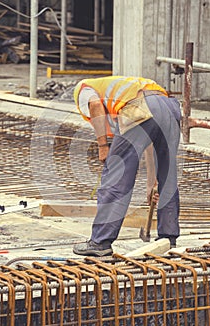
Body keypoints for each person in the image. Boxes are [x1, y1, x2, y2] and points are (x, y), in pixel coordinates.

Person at [73, 76, 181, 256]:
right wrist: (151, 184)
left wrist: (102, 146)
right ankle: (168, 237)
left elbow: (95, 106)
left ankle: (101, 242)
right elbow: (150, 142)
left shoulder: (83, 88)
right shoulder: (124, 88)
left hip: (140, 108)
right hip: (170, 107)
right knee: (168, 175)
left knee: (116, 177)